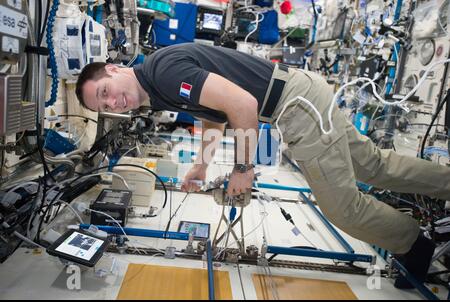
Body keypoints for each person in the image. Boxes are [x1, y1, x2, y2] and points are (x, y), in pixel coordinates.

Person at [75, 42, 449, 289]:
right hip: (303, 94)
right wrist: (201, 166)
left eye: (106, 92)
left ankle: (416, 246)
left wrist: (242, 169)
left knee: (341, 207)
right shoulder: (157, 86)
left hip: (297, 106)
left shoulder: (162, 73)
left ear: (113, 69)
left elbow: (243, 107)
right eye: (104, 107)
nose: (114, 103)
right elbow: (217, 113)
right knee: (373, 167)